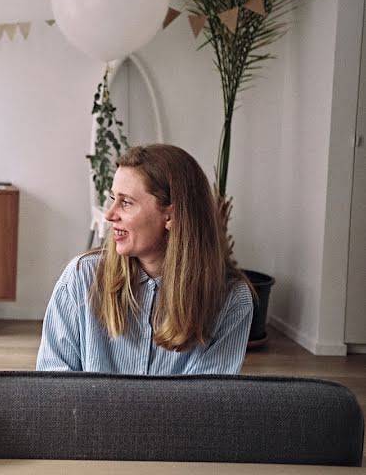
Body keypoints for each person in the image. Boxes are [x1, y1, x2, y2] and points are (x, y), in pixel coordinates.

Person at [36, 144, 254, 375]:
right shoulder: (81, 278)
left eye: (126, 202)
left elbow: (203, 405)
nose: (110, 215)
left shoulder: (231, 299)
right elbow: (53, 386)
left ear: (171, 215)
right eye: (113, 198)